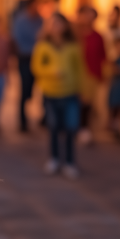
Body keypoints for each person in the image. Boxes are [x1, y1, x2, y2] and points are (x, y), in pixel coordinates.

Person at [31, 13, 83, 179]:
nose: (56, 27)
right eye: (53, 24)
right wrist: (52, 72)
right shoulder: (43, 46)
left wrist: (82, 88)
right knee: (53, 127)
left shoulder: (73, 46)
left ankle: (69, 161)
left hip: (70, 93)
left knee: (70, 127)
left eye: (59, 24)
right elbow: (37, 67)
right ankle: (54, 158)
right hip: (51, 92)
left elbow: (79, 69)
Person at [12, 0, 43, 132]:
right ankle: (22, 121)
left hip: (38, 57)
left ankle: (44, 118)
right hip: (25, 58)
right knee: (25, 89)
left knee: (41, 88)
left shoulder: (40, 20)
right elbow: (18, 39)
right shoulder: (21, 20)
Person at [77, 5, 106, 139]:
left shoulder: (98, 36)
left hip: (91, 74)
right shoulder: (75, 35)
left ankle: (84, 128)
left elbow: (102, 56)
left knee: (87, 103)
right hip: (77, 74)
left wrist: (102, 74)